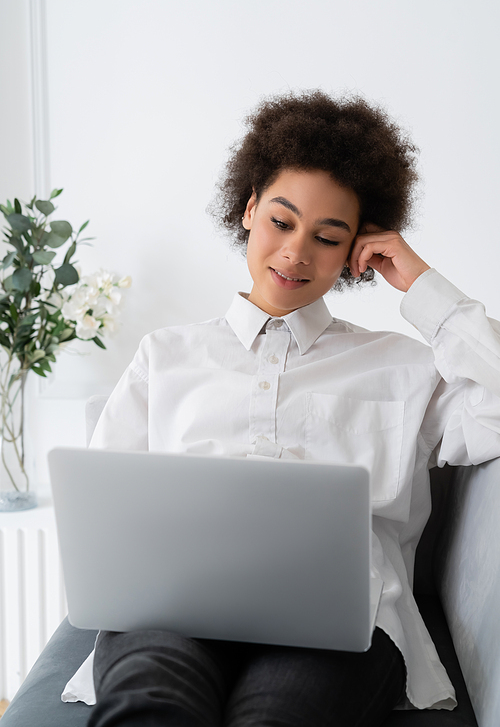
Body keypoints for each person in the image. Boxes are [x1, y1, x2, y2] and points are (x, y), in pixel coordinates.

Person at [65, 90, 500, 726]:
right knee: (147, 710)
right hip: (173, 613)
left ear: (358, 251)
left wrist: (424, 287)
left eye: (328, 236)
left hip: (338, 624)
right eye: (281, 221)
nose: (297, 251)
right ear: (247, 209)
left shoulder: (404, 367)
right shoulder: (166, 356)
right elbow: (102, 518)